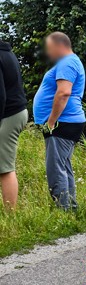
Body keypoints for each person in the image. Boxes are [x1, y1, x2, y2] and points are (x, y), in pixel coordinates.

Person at [32, 32, 86, 211]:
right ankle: (71, 208)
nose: (48, 53)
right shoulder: (70, 62)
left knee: (55, 168)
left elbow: (63, 93)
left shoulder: (67, 63)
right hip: (67, 122)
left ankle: (63, 211)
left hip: (62, 122)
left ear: (58, 45)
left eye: (49, 48)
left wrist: (51, 121)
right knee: (63, 165)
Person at [0, 40, 28, 210]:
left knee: (5, 168)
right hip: (16, 112)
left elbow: (0, 96)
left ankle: (11, 216)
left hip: (10, 114)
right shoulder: (6, 52)